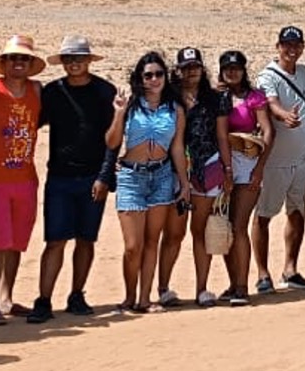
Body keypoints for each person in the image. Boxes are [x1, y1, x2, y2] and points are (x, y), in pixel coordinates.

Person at [29, 35, 117, 321]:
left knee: (85, 240)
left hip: (93, 177)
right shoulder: (53, 92)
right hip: (60, 178)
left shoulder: (105, 91)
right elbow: (33, 121)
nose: (74, 63)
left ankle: (77, 294)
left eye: (79, 58)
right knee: (54, 240)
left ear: (89, 61)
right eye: (68, 59)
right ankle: (43, 300)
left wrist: (105, 176)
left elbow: (112, 139)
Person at [107, 52, 190, 314]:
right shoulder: (130, 105)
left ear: (166, 77)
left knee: (153, 240)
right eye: (148, 75)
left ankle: (144, 298)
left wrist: (184, 183)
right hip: (132, 176)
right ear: (140, 79)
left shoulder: (174, 109)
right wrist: (119, 114)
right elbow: (111, 143)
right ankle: (129, 296)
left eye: (158, 74)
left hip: (162, 175)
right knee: (133, 246)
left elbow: (177, 148)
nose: (154, 79)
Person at [0, 35, 47, 325]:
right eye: (13, 58)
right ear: (4, 63)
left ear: (30, 64)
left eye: (24, 58)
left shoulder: (37, 90)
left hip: (26, 180)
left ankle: (7, 298)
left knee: (17, 243)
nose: (18, 62)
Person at [166, 46, 232, 306]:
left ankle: (202, 288)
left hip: (208, 168)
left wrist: (227, 170)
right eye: (186, 68)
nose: (191, 72)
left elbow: (222, 137)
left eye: (195, 67)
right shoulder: (168, 98)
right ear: (178, 70)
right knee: (174, 233)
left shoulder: (215, 99)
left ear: (202, 69)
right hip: (175, 170)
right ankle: (163, 287)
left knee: (201, 232)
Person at [253, 26, 305, 293]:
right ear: (278, 46)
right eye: (286, 44)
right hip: (276, 161)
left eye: (296, 45)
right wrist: (283, 115)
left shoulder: (303, 73)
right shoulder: (267, 76)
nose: (291, 50)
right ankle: (262, 273)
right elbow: (271, 103)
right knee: (264, 215)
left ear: (302, 47)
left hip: (303, 159)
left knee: (297, 213)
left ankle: (290, 269)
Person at [218, 50, 272, 306]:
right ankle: (232, 282)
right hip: (221, 164)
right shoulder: (217, 97)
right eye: (228, 68)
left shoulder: (254, 97)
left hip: (248, 163)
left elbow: (269, 132)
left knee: (239, 225)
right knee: (226, 227)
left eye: (236, 68)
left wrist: (260, 168)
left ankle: (242, 286)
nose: (232, 72)